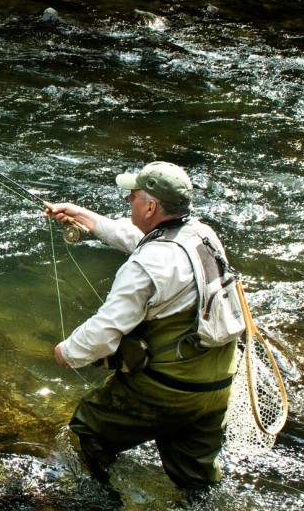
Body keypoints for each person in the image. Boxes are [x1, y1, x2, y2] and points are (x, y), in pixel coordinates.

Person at [44, 161, 237, 489]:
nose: (128, 200)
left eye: (132, 196)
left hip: (169, 389)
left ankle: (105, 504)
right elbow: (143, 240)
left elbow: (105, 330)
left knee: (88, 429)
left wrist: (67, 352)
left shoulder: (147, 266)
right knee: (195, 479)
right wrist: (85, 217)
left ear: (150, 207)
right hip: (216, 385)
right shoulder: (202, 235)